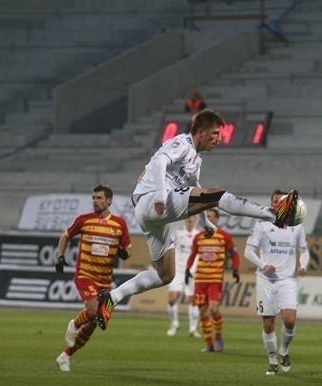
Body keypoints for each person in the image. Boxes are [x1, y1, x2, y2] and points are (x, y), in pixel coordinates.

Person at [95, 109, 299, 331]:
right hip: (152, 200)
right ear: (200, 132)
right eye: (214, 133)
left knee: (166, 274)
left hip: (155, 216)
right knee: (217, 194)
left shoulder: (196, 160)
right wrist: (162, 193)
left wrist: (205, 222)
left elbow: (196, 190)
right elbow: (159, 162)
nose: (218, 139)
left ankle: (112, 297)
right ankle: (273, 213)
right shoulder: (182, 143)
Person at [54, 184, 131, 372]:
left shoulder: (119, 224)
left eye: (99, 198)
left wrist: (123, 253)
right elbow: (65, 236)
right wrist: (60, 257)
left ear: (109, 201)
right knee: (94, 311)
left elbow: (128, 249)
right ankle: (74, 323)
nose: (95, 201)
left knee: (95, 324)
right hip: (85, 274)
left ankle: (65, 355)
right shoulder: (84, 220)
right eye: (94, 198)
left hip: (105, 281)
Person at [245, 189, 309, 375]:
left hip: (287, 279)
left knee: (290, 319)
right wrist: (263, 264)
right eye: (275, 201)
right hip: (266, 280)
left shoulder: (296, 225)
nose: (278, 204)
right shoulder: (262, 224)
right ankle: (272, 360)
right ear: (272, 203)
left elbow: (304, 250)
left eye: (281, 201)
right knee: (268, 324)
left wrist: (303, 265)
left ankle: (284, 351)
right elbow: (248, 251)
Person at [186, 209, 239, 352]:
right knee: (203, 313)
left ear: (216, 219)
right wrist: (187, 269)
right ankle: (209, 343)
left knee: (214, 310)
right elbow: (192, 255)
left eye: (210, 217)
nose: (207, 219)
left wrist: (235, 269)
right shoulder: (198, 237)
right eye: (206, 217)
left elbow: (234, 254)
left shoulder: (224, 236)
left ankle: (219, 338)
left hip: (215, 278)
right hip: (200, 279)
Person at [166, 215, 201, 337]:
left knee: (193, 300)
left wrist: (194, 269)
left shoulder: (199, 235)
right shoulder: (177, 233)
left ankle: (193, 328)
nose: (190, 220)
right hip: (178, 271)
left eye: (192, 218)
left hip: (192, 272)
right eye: (188, 218)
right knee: (172, 298)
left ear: (195, 218)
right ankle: (174, 323)